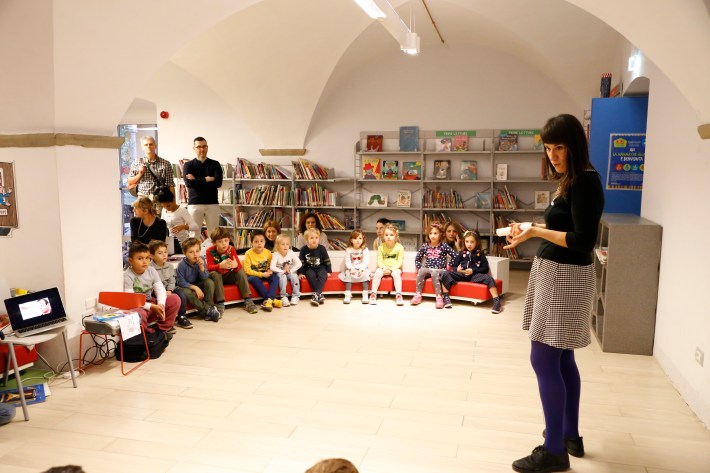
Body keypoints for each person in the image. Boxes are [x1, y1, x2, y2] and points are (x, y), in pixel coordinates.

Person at [506, 114, 604, 473]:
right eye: (548, 148)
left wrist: (535, 231)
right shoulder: (574, 179)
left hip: (564, 277)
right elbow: (566, 226)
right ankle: (568, 435)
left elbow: (581, 240)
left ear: (575, 145)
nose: (553, 155)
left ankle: (553, 451)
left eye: (559, 147)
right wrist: (530, 228)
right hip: (559, 274)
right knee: (562, 359)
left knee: (544, 359)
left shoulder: (584, 182)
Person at [123, 241, 179, 337]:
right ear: (131, 261)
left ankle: (163, 329)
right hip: (138, 306)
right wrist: (152, 307)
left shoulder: (151, 270)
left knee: (175, 299)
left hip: (151, 302)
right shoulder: (127, 275)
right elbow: (131, 300)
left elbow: (160, 289)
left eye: (147, 258)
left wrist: (161, 304)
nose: (145, 261)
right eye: (140, 258)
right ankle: (148, 334)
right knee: (138, 314)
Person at [440, 230, 501, 312]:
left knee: (489, 278)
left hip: (473, 276)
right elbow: (454, 266)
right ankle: (446, 297)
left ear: (476, 242)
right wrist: (457, 270)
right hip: (461, 275)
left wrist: (473, 270)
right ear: (464, 242)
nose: (469, 244)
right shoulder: (461, 253)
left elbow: (485, 268)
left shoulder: (480, 254)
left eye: (472, 242)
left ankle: (497, 302)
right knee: (445, 273)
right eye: (467, 241)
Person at [205, 227, 259, 314]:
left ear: (229, 240)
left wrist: (235, 265)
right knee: (215, 274)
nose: (224, 243)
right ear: (214, 243)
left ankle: (248, 300)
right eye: (220, 241)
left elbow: (238, 265)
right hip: (217, 278)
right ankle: (220, 302)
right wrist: (220, 265)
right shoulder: (209, 251)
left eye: (226, 240)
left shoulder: (231, 249)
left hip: (228, 276)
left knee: (240, 271)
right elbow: (209, 267)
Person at [175, 237, 222, 322]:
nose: (195, 254)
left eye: (197, 251)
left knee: (209, 282)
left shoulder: (202, 259)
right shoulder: (182, 265)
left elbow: (205, 278)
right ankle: (207, 311)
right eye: (191, 252)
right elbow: (180, 282)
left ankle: (210, 307)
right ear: (184, 253)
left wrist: (202, 268)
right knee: (187, 292)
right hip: (184, 286)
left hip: (196, 283)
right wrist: (194, 287)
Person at [183, 136, 223, 234]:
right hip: (194, 204)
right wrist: (207, 179)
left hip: (212, 203)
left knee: (214, 235)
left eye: (204, 146)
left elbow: (218, 183)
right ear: (194, 148)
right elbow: (189, 184)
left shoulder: (215, 164)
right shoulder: (188, 165)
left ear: (207, 147)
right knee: (193, 235)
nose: (202, 149)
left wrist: (196, 180)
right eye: (199, 147)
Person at [411, 222, 456, 308]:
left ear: (440, 234)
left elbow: (455, 256)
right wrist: (419, 267)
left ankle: (439, 297)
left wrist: (449, 266)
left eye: (435, 233)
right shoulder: (425, 246)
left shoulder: (444, 246)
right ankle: (418, 295)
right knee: (421, 271)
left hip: (440, 270)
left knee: (435, 272)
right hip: (428, 268)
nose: (432, 235)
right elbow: (417, 258)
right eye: (430, 233)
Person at [149, 240, 192, 329]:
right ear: (152, 256)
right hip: (156, 291)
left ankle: (182, 316)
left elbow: (172, 280)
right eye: (160, 253)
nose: (164, 255)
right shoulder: (150, 268)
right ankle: (165, 320)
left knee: (181, 294)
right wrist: (162, 292)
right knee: (160, 298)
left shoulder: (169, 266)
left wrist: (169, 290)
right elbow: (151, 284)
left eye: (165, 252)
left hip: (169, 288)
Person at [127, 136, 175, 203]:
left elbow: (170, 185)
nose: (148, 146)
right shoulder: (137, 162)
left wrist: (173, 204)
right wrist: (140, 173)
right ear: (142, 147)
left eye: (151, 144)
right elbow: (130, 181)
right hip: (142, 198)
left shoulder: (166, 163)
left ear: (155, 145)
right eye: (146, 145)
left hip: (159, 198)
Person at [243, 229, 282, 312]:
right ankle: (271, 300)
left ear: (265, 242)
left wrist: (270, 270)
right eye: (256, 241)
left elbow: (271, 265)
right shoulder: (248, 254)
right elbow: (247, 270)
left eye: (261, 241)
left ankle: (268, 300)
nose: (259, 243)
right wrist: (261, 274)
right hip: (253, 275)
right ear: (252, 243)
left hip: (265, 273)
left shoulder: (268, 253)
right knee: (253, 279)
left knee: (275, 278)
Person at [156, 188, 200, 254]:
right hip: (169, 243)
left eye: (168, 205)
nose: (166, 208)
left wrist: (183, 227)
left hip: (182, 244)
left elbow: (196, 227)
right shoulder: (164, 210)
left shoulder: (181, 210)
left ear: (173, 200)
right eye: (163, 206)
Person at [370, 223, 404, 306]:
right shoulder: (381, 247)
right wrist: (383, 268)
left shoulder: (400, 247)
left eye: (391, 235)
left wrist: (391, 269)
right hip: (384, 267)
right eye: (386, 235)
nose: (389, 237)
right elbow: (379, 260)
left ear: (396, 236)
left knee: (396, 274)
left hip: (395, 268)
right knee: (377, 273)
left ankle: (398, 295)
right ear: (383, 236)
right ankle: (373, 294)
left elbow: (400, 262)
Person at [298, 228, 331, 307]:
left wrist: (328, 271)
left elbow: (327, 260)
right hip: (309, 268)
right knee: (310, 275)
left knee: (323, 275)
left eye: (316, 238)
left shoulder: (322, 248)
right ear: (307, 239)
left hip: (321, 267)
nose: (314, 240)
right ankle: (319, 294)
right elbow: (301, 263)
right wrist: (301, 273)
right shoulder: (303, 249)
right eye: (311, 238)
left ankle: (316, 295)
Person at [338, 230, 370, 304]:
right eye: (355, 238)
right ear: (351, 240)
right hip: (352, 267)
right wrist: (351, 269)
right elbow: (347, 261)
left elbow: (365, 261)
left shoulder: (365, 249)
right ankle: (348, 294)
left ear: (363, 239)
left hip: (362, 267)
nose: (357, 240)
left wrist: (361, 269)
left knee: (365, 275)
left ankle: (365, 294)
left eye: (360, 238)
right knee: (348, 275)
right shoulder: (348, 249)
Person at [270, 233, 302, 306]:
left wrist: (291, 270)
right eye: (283, 244)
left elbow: (299, 263)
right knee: (283, 277)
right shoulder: (275, 254)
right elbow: (272, 267)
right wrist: (282, 271)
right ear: (277, 245)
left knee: (295, 277)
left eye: (287, 244)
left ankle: (296, 296)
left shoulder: (291, 252)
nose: (285, 246)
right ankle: (283, 296)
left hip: (290, 271)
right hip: (280, 272)